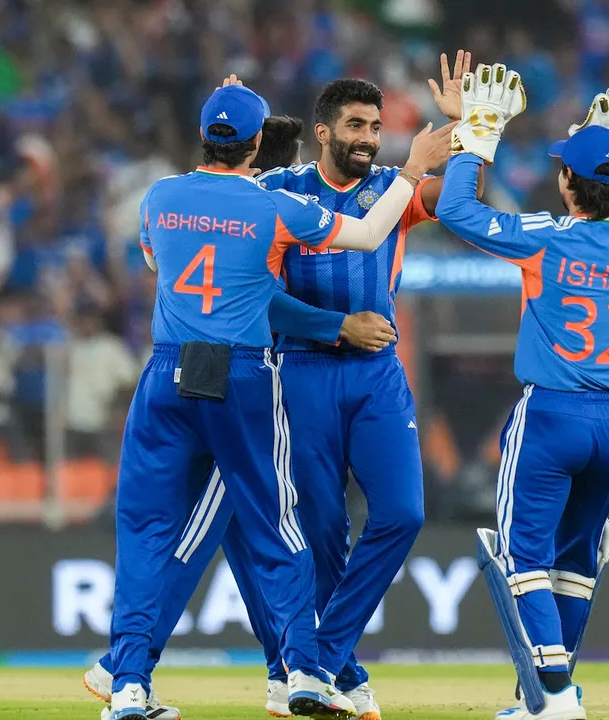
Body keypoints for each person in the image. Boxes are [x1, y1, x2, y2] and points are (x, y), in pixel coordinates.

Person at [104, 80, 453, 720]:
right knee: (280, 527)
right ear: (262, 142)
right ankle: (301, 670)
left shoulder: (159, 197)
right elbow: (372, 232)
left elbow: (158, 264)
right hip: (246, 369)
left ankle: (127, 681)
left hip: (168, 369)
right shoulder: (273, 206)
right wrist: (413, 167)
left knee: (146, 529)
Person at [435, 67, 609, 720]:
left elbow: (457, 211)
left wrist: (476, 136)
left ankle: (553, 696)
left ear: (567, 182)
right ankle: (554, 690)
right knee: (576, 562)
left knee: (522, 556)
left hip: (550, 412)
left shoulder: (547, 238)